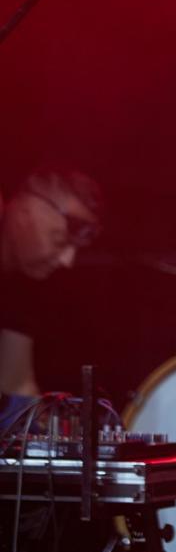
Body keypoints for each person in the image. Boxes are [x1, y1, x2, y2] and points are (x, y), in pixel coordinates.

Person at [0, 167, 102, 404]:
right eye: (60, 241)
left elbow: (15, 383)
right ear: (24, 212)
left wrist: (45, 421)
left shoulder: (23, 286)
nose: (68, 261)